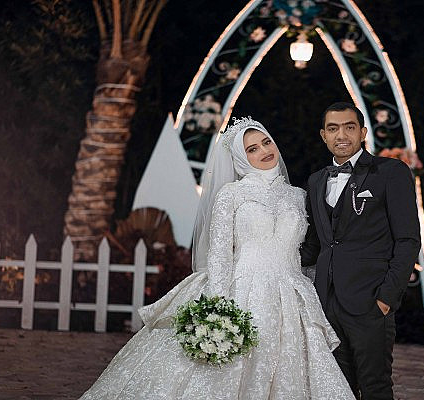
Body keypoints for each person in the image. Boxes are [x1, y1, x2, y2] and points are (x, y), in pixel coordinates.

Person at [80, 117, 355, 399]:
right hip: (243, 290)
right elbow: (220, 253)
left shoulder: (298, 196)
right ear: (240, 158)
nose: (264, 151)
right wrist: (217, 306)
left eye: (266, 142)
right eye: (252, 149)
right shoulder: (231, 194)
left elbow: (305, 250)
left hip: (290, 295)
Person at [301, 102, 421, 399]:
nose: (341, 135)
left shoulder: (391, 172)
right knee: (336, 390)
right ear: (323, 135)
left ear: (363, 132)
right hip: (326, 305)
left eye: (349, 127)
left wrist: (386, 298)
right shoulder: (316, 181)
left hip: (370, 301)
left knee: (375, 387)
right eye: (333, 128)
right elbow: (315, 245)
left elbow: (408, 240)